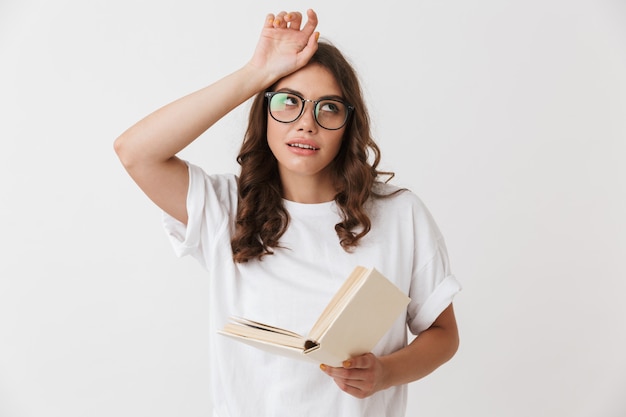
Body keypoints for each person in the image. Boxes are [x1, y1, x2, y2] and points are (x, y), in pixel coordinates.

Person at [114, 9, 461, 417]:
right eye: (288, 102)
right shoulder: (226, 206)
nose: (306, 124)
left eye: (328, 108)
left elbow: (443, 335)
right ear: (265, 113)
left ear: (348, 125)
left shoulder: (400, 214)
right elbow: (135, 152)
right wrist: (256, 72)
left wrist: (384, 373)